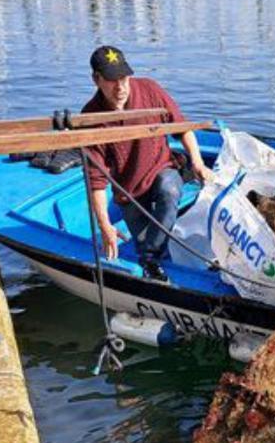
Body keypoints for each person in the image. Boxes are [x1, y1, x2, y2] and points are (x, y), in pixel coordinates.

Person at [81, 45, 212, 280]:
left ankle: (154, 258)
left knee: (169, 190)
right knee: (144, 246)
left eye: (124, 78)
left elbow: (182, 127)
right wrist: (105, 225)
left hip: (161, 169)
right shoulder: (91, 117)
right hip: (128, 190)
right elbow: (96, 181)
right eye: (111, 80)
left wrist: (198, 162)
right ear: (96, 79)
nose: (120, 87)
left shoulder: (150, 90)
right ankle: (152, 259)